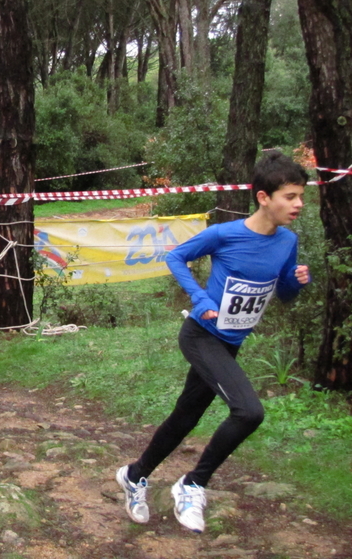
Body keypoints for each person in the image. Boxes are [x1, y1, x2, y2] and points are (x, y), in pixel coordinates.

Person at [115, 151, 311, 533]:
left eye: (301, 196)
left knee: (186, 416)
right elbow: (176, 257)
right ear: (263, 197)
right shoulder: (226, 234)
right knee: (249, 412)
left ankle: (134, 475)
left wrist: (297, 281)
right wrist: (200, 299)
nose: (299, 204)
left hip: (231, 342)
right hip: (202, 336)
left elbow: (285, 292)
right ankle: (193, 484)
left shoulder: (287, 241)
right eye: (290, 196)